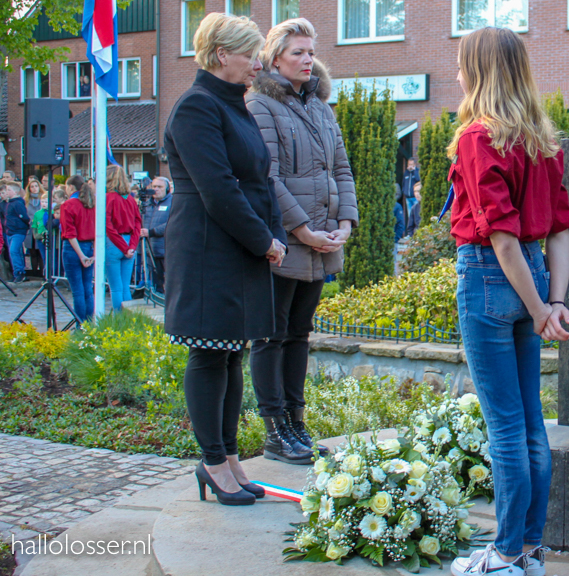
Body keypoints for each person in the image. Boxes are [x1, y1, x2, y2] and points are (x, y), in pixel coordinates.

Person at [446, 27, 569, 576]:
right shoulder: (542, 139)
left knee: (505, 428)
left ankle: (502, 554)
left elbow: (499, 238)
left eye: (461, 65)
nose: (456, 73)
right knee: (530, 427)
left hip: (490, 277)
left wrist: (543, 308)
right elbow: (561, 230)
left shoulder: (480, 136)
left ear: (477, 71)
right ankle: (529, 550)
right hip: (534, 279)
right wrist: (552, 302)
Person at [164, 12, 287, 506]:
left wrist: (273, 233)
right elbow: (218, 190)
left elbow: (260, 180)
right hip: (208, 249)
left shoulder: (236, 105)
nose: (258, 62)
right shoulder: (196, 107)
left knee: (232, 353)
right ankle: (212, 461)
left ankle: (230, 458)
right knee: (209, 353)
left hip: (238, 245)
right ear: (221, 55)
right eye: (250, 53)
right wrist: (263, 240)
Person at [247, 17, 357, 464]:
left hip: (321, 240)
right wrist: (301, 230)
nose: (308, 59)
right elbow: (266, 177)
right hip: (285, 240)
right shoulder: (260, 105)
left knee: (298, 335)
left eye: (311, 51)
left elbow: (342, 171)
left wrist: (345, 223)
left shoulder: (320, 107)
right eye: (298, 52)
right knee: (271, 337)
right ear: (275, 59)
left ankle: (296, 423)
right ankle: (275, 431)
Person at [103, 165, 142, 311]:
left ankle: (119, 320)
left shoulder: (108, 198)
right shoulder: (131, 199)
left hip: (114, 243)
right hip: (129, 242)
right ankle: (128, 320)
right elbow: (137, 222)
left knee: (116, 288)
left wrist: (124, 247)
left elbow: (108, 225)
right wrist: (131, 246)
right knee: (125, 287)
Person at [60, 175, 96, 322]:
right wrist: (93, 254)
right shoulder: (92, 204)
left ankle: (80, 324)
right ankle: (88, 322)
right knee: (87, 288)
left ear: (70, 187)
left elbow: (70, 233)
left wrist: (81, 255)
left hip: (73, 248)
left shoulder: (68, 205)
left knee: (78, 291)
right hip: (89, 246)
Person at [141, 176, 172, 294]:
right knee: (155, 282)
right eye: (154, 187)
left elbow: (172, 223)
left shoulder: (172, 202)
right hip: (150, 250)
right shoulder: (147, 205)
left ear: (167, 188)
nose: (156, 189)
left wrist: (152, 232)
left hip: (166, 249)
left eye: (159, 187)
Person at [4, 181, 32, 283]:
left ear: (15, 192)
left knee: (14, 251)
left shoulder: (17, 203)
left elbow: (24, 217)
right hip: (9, 231)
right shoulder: (8, 203)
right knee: (15, 252)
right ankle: (17, 273)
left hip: (18, 231)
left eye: (9, 190)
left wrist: (23, 226)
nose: (7, 192)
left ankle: (19, 272)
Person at [23, 177, 46, 276]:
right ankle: (34, 271)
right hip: (30, 227)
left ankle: (42, 271)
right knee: (32, 251)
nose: (34, 188)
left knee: (40, 250)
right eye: (32, 186)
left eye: (36, 186)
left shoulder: (43, 198)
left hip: (40, 227)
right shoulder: (26, 200)